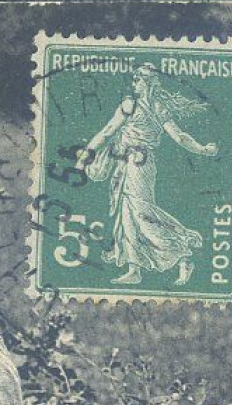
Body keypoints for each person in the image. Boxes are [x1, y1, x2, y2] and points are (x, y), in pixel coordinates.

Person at [78, 62, 220, 286]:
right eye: (134, 79)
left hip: (137, 164)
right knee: (128, 214)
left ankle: (181, 255)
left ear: (148, 83)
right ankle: (134, 268)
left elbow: (179, 136)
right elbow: (108, 132)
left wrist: (202, 149)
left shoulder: (137, 106)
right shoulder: (150, 106)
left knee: (141, 213)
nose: (133, 83)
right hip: (129, 163)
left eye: (138, 79)